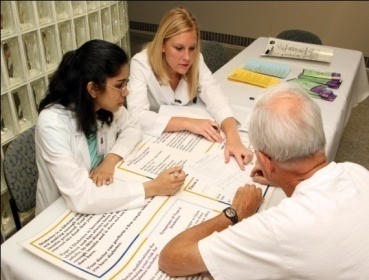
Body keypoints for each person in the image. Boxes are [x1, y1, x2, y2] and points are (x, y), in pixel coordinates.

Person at [158, 83, 369, 279]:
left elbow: (171, 259)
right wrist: (282, 178)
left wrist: (236, 212)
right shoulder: (357, 172)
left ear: (267, 162)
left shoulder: (279, 227)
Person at [35, 39, 186, 215]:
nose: (126, 92)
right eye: (119, 85)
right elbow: (82, 198)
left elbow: (133, 126)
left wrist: (110, 160)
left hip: (102, 196)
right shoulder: (52, 123)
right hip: (59, 216)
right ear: (93, 89)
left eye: (125, 83)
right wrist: (152, 187)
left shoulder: (102, 106)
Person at [127, 7, 252, 170]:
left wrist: (233, 138)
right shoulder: (141, 63)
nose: (187, 57)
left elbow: (216, 97)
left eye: (192, 48)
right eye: (179, 48)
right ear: (163, 45)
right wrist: (188, 123)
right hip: (155, 142)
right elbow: (136, 116)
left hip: (185, 145)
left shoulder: (196, 60)